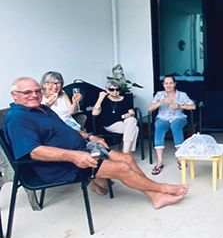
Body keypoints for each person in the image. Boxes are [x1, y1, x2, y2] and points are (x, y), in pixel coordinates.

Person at [3, 77, 188, 209]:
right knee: (122, 169)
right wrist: (74, 156)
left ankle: (155, 196)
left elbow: (65, 130)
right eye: (27, 92)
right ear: (14, 95)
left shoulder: (42, 109)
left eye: (37, 91)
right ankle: (162, 188)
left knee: (126, 159)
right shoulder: (17, 118)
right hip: (64, 165)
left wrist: (90, 136)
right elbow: (34, 152)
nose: (34, 95)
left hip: (84, 148)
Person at [148, 75, 196, 175]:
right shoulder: (159, 95)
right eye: (166, 83)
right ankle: (159, 162)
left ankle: (180, 158)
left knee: (175, 126)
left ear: (174, 84)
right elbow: (150, 108)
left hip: (179, 118)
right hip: (163, 118)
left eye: (170, 83)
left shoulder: (182, 95)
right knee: (159, 127)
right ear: (163, 85)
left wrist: (179, 106)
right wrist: (162, 101)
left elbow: (193, 106)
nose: (168, 85)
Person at [92, 80, 139, 154]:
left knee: (131, 120)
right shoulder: (104, 100)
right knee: (135, 129)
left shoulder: (126, 99)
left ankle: (125, 152)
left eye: (117, 89)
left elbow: (131, 111)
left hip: (125, 122)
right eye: (111, 90)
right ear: (107, 90)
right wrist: (100, 98)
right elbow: (94, 113)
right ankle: (127, 152)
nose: (115, 91)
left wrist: (130, 114)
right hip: (110, 124)